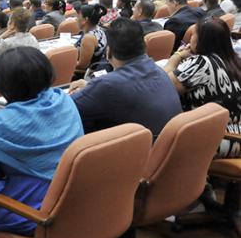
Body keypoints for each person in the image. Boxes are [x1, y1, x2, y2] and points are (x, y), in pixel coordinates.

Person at [0, 47, 83, 236]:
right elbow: (30, 120)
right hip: (72, 197)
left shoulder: (5, 122)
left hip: (34, 211)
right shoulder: (61, 99)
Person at [70, 18, 182, 138]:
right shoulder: (159, 71)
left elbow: (65, 110)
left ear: (109, 52)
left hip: (136, 153)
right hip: (164, 149)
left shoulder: (106, 85)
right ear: (144, 45)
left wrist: (88, 90)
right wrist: (90, 88)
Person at [164, 18, 241, 157]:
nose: (190, 39)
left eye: (193, 34)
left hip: (214, 138)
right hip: (235, 133)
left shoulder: (201, 64)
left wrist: (177, 56)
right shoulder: (234, 60)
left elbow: (163, 85)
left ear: (201, 40)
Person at [74, 4, 108, 74]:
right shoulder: (100, 29)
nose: (76, 19)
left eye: (78, 16)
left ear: (85, 20)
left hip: (83, 74)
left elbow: (82, 66)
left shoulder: (88, 38)